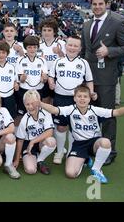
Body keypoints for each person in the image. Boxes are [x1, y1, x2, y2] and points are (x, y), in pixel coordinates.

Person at [40, 85, 124, 184]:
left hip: (94, 143)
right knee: (70, 173)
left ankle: (96, 169)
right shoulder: (70, 109)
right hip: (79, 145)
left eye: (85, 96)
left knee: (105, 142)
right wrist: (40, 103)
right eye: (79, 96)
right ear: (74, 98)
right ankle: (85, 159)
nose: (82, 99)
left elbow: (116, 112)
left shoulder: (96, 110)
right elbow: (54, 109)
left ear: (89, 99)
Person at [81, 0, 124, 165]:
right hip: (88, 79)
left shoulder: (117, 22)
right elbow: (84, 51)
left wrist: (109, 51)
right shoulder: (86, 24)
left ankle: (110, 150)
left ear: (106, 4)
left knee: (108, 116)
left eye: (100, 4)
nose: (97, 7)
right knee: (90, 115)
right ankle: (94, 147)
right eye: (94, 4)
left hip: (107, 78)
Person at [48, 35, 96, 165]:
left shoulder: (83, 63)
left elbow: (89, 80)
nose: (72, 48)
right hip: (60, 98)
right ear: (65, 46)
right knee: (61, 126)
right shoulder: (58, 62)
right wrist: (51, 83)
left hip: (77, 100)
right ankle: (59, 151)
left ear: (80, 48)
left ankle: (71, 152)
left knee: (74, 127)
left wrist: (91, 93)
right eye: (70, 45)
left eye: (76, 46)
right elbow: (51, 77)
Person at [13, 90, 56, 175]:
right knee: (31, 170)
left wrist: (33, 141)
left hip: (40, 142)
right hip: (28, 144)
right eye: (27, 104)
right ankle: (33, 156)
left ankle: (40, 160)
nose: (30, 107)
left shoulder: (45, 112)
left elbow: (50, 132)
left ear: (39, 102)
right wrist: (17, 159)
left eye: (33, 103)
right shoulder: (24, 119)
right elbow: (20, 140)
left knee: (51, 141)